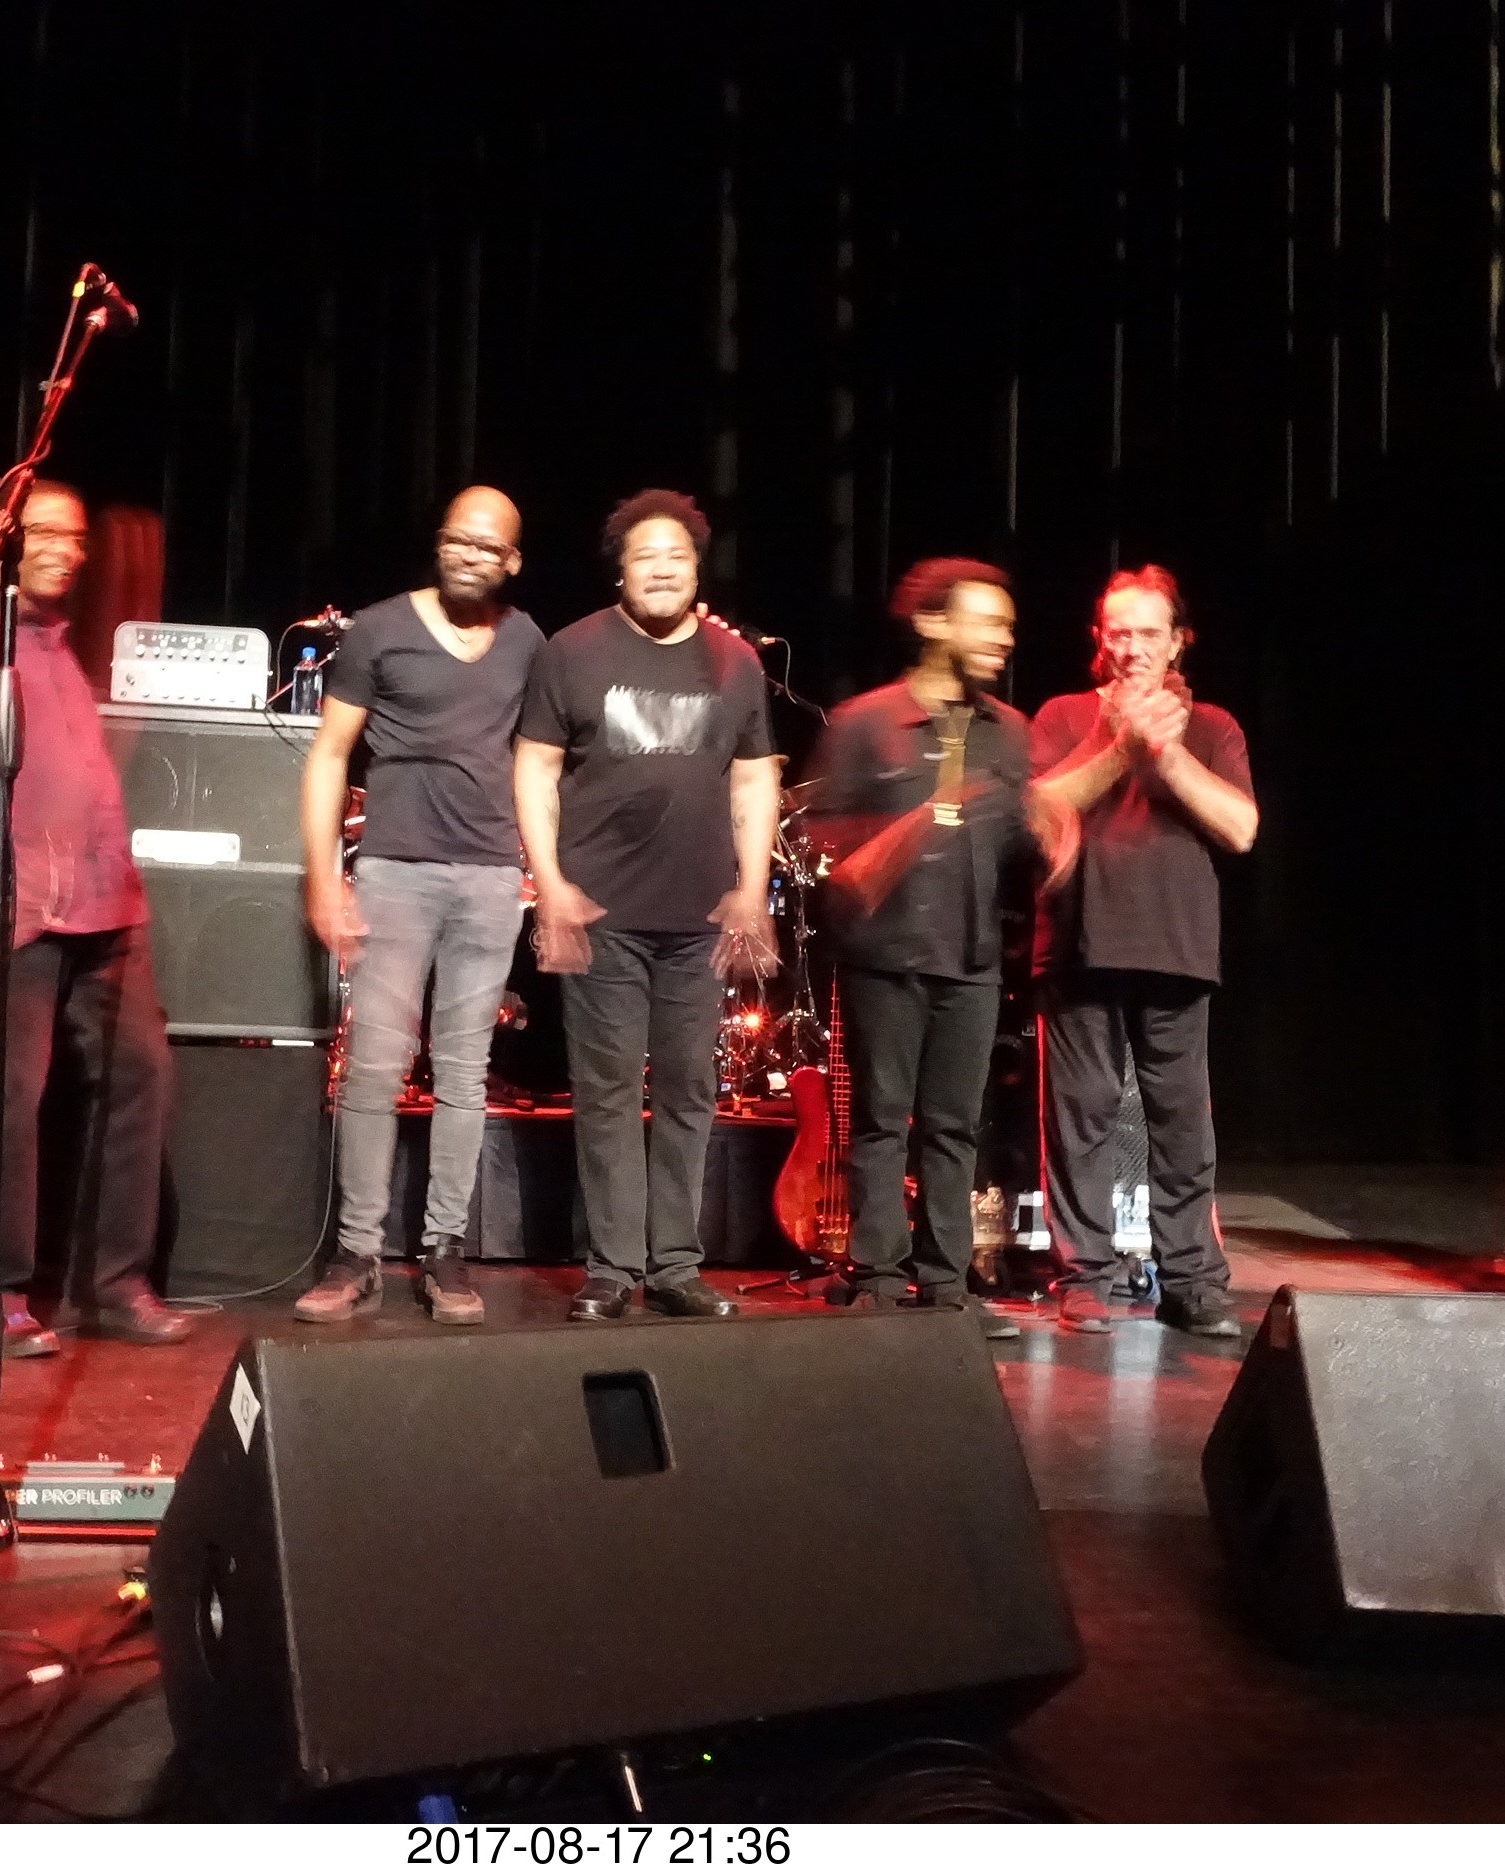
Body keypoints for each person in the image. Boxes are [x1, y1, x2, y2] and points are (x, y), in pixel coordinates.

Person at [0, 480, 191, 1356]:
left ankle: (118, 1284)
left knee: (141, 1075)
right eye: (47, 534)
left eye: (76, 537)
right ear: (4, 536)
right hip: (10, 906)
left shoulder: (60, 649)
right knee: (7, 1099)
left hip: (102, 901)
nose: (69, 550)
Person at [515, 489, 779, 1322]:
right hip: (604, 913)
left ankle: (675, 1266)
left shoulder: (735, 663)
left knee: (689, 1089)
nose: (661, 569)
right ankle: (611, 1268)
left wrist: (751, 887)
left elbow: (754, 777)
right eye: (645, 556)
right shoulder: (571, 651)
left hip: (700, 917)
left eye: (677, 556)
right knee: (605, 1092)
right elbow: (534, 769)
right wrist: (550, 884)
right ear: (621, 570)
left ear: (697, 569)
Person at [803, 559, 1077, 1339]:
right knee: (882, 1119)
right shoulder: (866, 722)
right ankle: (879, 1277)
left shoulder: (1009, 731)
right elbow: (822, 838)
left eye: (1008, 625)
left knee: (956, 1127)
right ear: (933, 624)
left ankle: (947, 1286)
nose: (1003, 638)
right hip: (883, 954)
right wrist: (891, 840)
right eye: (986, 622)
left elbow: (1024, 832)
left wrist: (1052, 840)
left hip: (972, 956)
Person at [292, 487, 544, 1325]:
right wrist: (322, 876)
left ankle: (444, 1250)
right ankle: (357, 1252)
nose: (469, 555)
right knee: (373, 1067)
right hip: (395, 872)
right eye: (456, 540)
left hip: (489, 879)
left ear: (512, 560)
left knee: (465, 1075)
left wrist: (540, 871)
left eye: (488, 546)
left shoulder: (527, 642)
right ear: (438, 543)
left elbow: (538, 764)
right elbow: (330, 754)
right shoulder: (380, 629)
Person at [1027, 565, 1258, 1337]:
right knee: (1081, 1122)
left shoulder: (1214, 727)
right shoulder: (1063, 715)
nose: (1131, 648)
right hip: (1078, 945)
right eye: (1118, 633)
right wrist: (1119, 744)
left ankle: (1191, 1282)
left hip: (1176, 946)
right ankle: (1084, 1279)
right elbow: (1038, 808)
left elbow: (1241, 829)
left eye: (1147, 633)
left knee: (1183, 1127)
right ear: (1100, 638)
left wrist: (1166, 752)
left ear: (1178, 642)